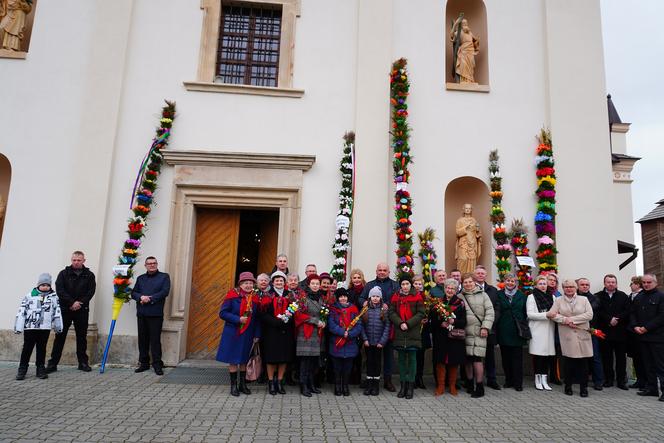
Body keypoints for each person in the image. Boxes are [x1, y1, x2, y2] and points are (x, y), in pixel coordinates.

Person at [46, 251, 96, 373]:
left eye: (79, 260)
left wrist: (79, 303)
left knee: (81, 337)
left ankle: (83, 363)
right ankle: (53, 364)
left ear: (84, 260)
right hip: (65, 309)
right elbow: (60, 290)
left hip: (82, 309)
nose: (76, 262)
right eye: (74, 260)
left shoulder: (89, 275)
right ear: (71, 260)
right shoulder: (63, 274)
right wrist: (71, 303)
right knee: (60, 336)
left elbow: (90, 291)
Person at [546, 279, 593, 397]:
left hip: (582, 334)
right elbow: (551, 314)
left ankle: (584, 388)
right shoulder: (558, 300)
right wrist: (564, 320)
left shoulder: (584, 299)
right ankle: (568, 386)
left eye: (571, 286)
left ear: (576, 288)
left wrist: (572, 320)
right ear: (563, 288)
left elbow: (589, 315)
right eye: (566, 287)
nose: (569, 289)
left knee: (583, 364)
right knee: (569, 363)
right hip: (567, 335)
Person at [216, 272, 261, 396]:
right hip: (233, 333)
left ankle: (242, 385)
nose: (248, 285)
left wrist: (257, 334)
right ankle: (233, 386)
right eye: (245, 283)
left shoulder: (255, 298)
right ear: (240, 284)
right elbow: (223, 313)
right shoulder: (232, 295)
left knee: (243, 360)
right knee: (233, 360)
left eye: (251, 283)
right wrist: (238, 319)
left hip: (248, 333)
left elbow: (257, 318)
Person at [14, 273, 63, 380]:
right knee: (27, 348)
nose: (45, 287)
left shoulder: (54, 297)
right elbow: (22, 311)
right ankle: (22, 369)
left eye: (47, 285)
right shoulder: (30, 296)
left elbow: (57, 312)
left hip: (44, 328)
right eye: (43, 284)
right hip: (30, 328)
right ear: (38, 285)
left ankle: (40, 368)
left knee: (42, 348)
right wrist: (18, 327)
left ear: (50, 286)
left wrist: (58, 326)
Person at [360, 262, 398, 391]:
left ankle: (387, 380)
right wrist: (364, 301)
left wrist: (388, 306)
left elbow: (398, 301)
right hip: (371, 325)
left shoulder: (395, 285)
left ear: (388, 272)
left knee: (388, 354)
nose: (382, 272)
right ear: (376, 271)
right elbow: (361, 298)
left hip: (388, 324)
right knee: (371, 357)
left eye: (384, 270)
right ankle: (370, 379)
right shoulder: (370, 285)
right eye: (380, 270)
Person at [131, 256, 171, 375]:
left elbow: (165, 292)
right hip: (142, 313)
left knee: (155, 340)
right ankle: (143, 363)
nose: (152, 265)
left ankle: (157, 364)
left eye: (154, 263)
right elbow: (134, 293)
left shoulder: (164, 277)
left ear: (157, 264)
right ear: (146, 266)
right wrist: (140, 297)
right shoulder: (140, 278)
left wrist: (150, 299)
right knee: (142, 340)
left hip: (155, 314)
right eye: (149, 264)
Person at [388, 277, 425, 399]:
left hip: (412, 332)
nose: (405, 286)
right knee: (402, 360)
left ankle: (410, 386)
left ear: (411, 285)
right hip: (400, 332)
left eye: (407, 284)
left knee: (412, 360)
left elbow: (420, 313)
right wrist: (400, 323)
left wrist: (408, 323)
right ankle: (403, 386)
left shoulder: (417, 296)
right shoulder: (395, 296)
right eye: (403, 284)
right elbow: (391, 312)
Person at [459, 273, 494, 398]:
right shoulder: (460, 296)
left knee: (477, 359)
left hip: (479, 332)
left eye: (470, 282)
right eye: (465, 282)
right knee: (467, 360)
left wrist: (485, 327)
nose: (468, 284)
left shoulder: (483, 295)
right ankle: (469, 384)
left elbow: (490, 312)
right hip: (464, 333)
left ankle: (479, 386)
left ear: (474, 282)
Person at [630, 274, 664, 401]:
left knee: (660, 366)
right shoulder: (639, 297)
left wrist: (646, 328)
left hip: (657, 337)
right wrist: (635, 326)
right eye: (644, 282)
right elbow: (632, 313)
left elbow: (661, 316)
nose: (646, 284)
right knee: (647, 364)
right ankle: (652, 389)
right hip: (642, 337)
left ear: (655, 282)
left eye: (649, 282)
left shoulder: (661, 296)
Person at [430, 278, 466, 396]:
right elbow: (433, 321)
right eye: (448, 288)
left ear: (456, 290)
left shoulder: (460, 303)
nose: (449, 290)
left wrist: (453, 321)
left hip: (454, 337)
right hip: (440, 337)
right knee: (440, 362)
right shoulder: (438, 302)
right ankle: (440, 386)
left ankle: (452, 386)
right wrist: (441, 323)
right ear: (444, 289)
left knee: (453, 362)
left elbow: (464, 322)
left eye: (452, 288)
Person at [261, 271, 294, 395]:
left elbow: (294, 309)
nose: (279, 282)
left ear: (284, 282)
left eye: (281, 281)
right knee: (271, 358)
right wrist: (274, 322)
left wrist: (287, 318)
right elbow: (262, 313)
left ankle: (280, 381)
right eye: (277, 280)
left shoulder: (290, 295)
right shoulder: (267, 295)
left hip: (286, 330)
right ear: (273, 282)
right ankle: (271, 382)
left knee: (283, 358)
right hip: (271, 331)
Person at [595, 274, 630, 390]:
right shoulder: (598, 296)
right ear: (604, 283)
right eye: (608, 282)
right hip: (605, 332)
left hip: (620, 333)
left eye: (613, 282)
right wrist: (609, 319)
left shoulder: (623, 296)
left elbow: (628, 311)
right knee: (607, 357)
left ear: (616, 283)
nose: (611, 284)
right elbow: (598, 312)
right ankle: (608, 380)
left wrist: (617, 319)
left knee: (621, 358)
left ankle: (621, 381)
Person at [295, 274, 326, 397]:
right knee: (305, 361)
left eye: (317, 284)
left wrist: (324, 321)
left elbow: (324, 313)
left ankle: (311, 383)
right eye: (313, 283)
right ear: (308, 284)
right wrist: (315, 321)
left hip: (318, 333)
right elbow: (299, 315)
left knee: (314, 361)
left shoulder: (321, 298)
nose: (315, 286)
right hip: (306, 333)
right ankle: (303, 385)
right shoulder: (303, 298)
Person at [495, 273, 528, 391]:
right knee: (506, 358)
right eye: (508, 280)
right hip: (503, 329)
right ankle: (508, 380)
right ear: (504, 282)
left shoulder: (522, 296)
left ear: (516, 283)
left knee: (517, 359)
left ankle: (518, 382)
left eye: (512, 281)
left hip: (517, 330)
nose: (510, 283)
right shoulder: (499, 295)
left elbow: (525, 313)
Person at [328, 288, 362, 396]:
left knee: (348, 367)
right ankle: (337, 386)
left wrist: (350, 334)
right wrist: (342, 332)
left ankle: (345, 386)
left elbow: (358, 324)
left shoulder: (354, 309)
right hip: (337, 342)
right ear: (338, 298)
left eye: (345, 296)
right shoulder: (333, 309)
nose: (343, 298)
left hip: (350, 343)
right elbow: (331, 324)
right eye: (340, 297)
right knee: (337, 367)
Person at [527, 275, 556, 391]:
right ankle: (537, 379)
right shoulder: (531, 297)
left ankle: (544, 379)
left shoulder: (552, 297)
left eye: (544, 284)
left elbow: (555, 312)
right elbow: (530, 314)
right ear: (536, 285)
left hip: (549, 330)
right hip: (537, 330)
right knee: (538, 356)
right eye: (540, 284)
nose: (543, 286)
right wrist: (546, 315)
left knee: (546, 357)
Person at [474, 265, 501, 390]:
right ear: (475, 275)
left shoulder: (493, 290)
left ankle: (491, 379)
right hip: (474, 328)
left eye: (482, 273)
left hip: (490, 328)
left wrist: (489, 323)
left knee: (490, 355)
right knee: (475, 355)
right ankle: (475, 379)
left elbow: (497, 309)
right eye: (478, 273)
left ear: (485, 275)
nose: (480, 275)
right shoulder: (469, 288)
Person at [576, 277, 605, 390]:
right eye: (582, 284)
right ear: (578, 286)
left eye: (587, 285)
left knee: (595, 357)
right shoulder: (573, 297)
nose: (585, 286)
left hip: (590, 331)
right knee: (577, 356)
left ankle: (598, 381)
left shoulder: (595, 298)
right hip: (576, 330)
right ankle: (578, 378)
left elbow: (589, 312)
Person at [361, 287, 390, 396]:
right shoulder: (365, 310)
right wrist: (365, 339)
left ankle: (375, 385)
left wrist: (382, 341)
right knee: (369, 362)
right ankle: (369, 384)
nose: (375, 298)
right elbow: (362, 326)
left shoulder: (384, 310)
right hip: (368, 342)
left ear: (380, 298)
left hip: (378, 343)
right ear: (369, 297)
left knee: (377, 363)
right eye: (373, 296)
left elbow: (387, 327)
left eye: (377, 296)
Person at [626, 276, 646, 390]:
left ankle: (646, 381)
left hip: (640, 331)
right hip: (631, 332)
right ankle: (639, 380)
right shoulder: (630, 296)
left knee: (643, 358)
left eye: (632, 283)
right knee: (636, 358)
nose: (631, 285)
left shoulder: (642, 296)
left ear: (638, 284)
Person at [347, 268, 366, 385]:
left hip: (364, 323)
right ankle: (351, 376)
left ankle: (358, 376)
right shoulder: (349, 292)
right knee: (352, 350)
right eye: (354, 278)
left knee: (360, 352)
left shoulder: (366, 290)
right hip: (352, 324)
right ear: (351, 279)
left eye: (359, 277)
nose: (357, 280)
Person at [412, 274, 431, 389]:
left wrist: (427, 319)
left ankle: (420, 377)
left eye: (420, 284)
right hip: (413, 329)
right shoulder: (409, 296)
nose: (418, 286)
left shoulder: (427, 298)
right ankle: (413, 378)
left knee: (421, 356)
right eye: (416, 284)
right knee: (413, 355)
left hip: (423, 331)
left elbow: (430, 312)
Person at [449, 14, 480, 84]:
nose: (466, 24)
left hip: (470, 52)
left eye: (466, 23)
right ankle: (463, 80)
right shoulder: (459, 32)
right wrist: (456, 24)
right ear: (461, 25)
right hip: (463, 51)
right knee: (463, 65)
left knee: (471, 65)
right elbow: (451, 35)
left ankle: (470, 80)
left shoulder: (470, 33)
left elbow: (475, 40)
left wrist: (477, 41)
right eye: (464, 23)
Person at [546, 272, 563, 385]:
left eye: (554, 280)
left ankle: (555, 376)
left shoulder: (558, 294)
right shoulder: (541, 292)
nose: (552, 282)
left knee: (555, 354)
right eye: (550, 279)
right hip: (545, 326)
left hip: (557, 328)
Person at [455, 204, 482, 274]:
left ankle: (471, 278)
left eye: (469, 208)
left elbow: (477, 233)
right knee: (463, 259)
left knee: (472, 261)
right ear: (463, 209)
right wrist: (465, 228)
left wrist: (478, 231)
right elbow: (457, 232)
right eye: (466, 208)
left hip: (472, 243)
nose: (467, 210)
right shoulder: (460, 220)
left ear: (471, 210)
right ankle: (461, 277)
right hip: (463, 243)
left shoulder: (474, 220)